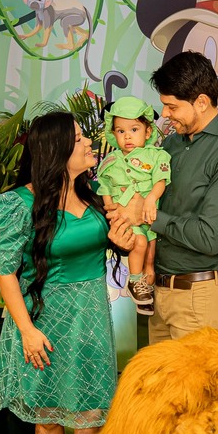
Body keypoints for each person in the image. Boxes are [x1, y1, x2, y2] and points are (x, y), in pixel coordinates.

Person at [0, 111, 136, 434]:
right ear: (57, 150)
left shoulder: (94, 193)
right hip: (44, 320)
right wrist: (27, 331)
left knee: (88, 414)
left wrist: (119, 245)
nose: (89, 142)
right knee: (48, 416)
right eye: (79, 137)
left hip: (90, 317)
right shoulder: (17, 205)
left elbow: (101, 245)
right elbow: (4, 272)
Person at [108, 51, 218, 342]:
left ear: (201, 102)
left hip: (199, 299)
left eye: (172, 106)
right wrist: (126, 231)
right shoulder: (171, 146)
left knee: (196, 375)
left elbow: (210, 237)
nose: (164, 114)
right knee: (158, 375)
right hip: (158, 294)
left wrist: (147, 217)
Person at [96, 96, 171, 316]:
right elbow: (105, 187)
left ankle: (145, 290)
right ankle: (135, 280)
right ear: (113, 133)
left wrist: (151, 198)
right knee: (139, 242)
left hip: (150, 215)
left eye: (134, 129)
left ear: (148, 132)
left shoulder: (157, 156)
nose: (127, 136)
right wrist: (111, 210)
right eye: (121, 131)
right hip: (126, 218)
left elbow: (161, 180)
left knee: (151, 254)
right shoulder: (110, 161)